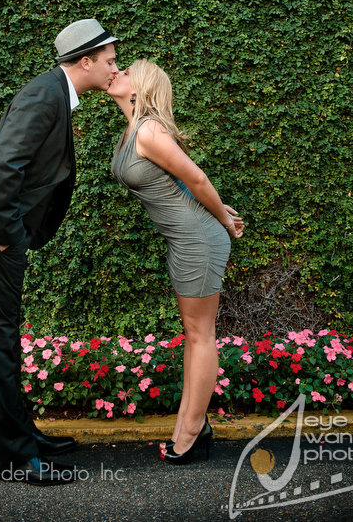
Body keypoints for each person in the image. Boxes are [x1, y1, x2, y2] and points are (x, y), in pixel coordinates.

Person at [0, 19, 119, 485]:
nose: (114, 69)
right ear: (85, 61)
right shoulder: (46, 95)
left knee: (4, 340)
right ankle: (15, 458)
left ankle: (23, 438)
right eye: (109, 61)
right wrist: (8, 235)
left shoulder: (53, 93)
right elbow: (6, 166)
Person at [108, 59, 244, 465]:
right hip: (184, 240)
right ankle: (190, 425)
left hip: (199, 239)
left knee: (200, 334)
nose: (117, 72)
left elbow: (198, 179)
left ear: (141, 88)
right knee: (194, 332)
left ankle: (191, 433)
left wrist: (224, 218)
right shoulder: (135, 130)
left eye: (126, 70)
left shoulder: (148, 131)